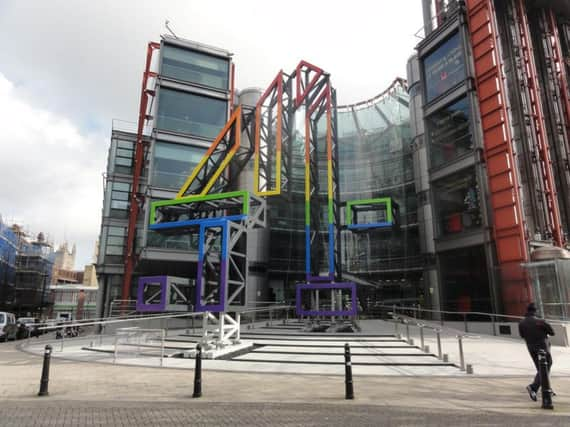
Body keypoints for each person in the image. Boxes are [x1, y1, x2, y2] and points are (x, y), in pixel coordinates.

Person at [518, 302, 555, 401]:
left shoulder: (521, 323)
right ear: (535, 311)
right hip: (543, 348)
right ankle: (533, 387)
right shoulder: (540, 321)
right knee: (545, 366)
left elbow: (522, 335)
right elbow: (552, 332)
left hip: (531, 348)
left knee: (541, 369)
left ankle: (547, 389)